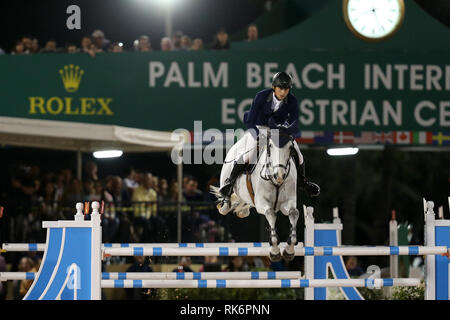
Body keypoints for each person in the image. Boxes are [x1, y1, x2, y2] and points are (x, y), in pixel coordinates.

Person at [218, 72, 320, 203]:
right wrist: (259, 134)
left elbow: (295, 122)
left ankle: (304, 182)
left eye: (286, 89)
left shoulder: (292, 101)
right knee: (250, 154)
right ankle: (230, 182)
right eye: (280, 88)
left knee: (298, 154)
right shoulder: (262, 96)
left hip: (279, 132)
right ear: (274, 87)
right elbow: (250, 121)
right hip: (258, 128)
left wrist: (287, 131)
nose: (283, 92)